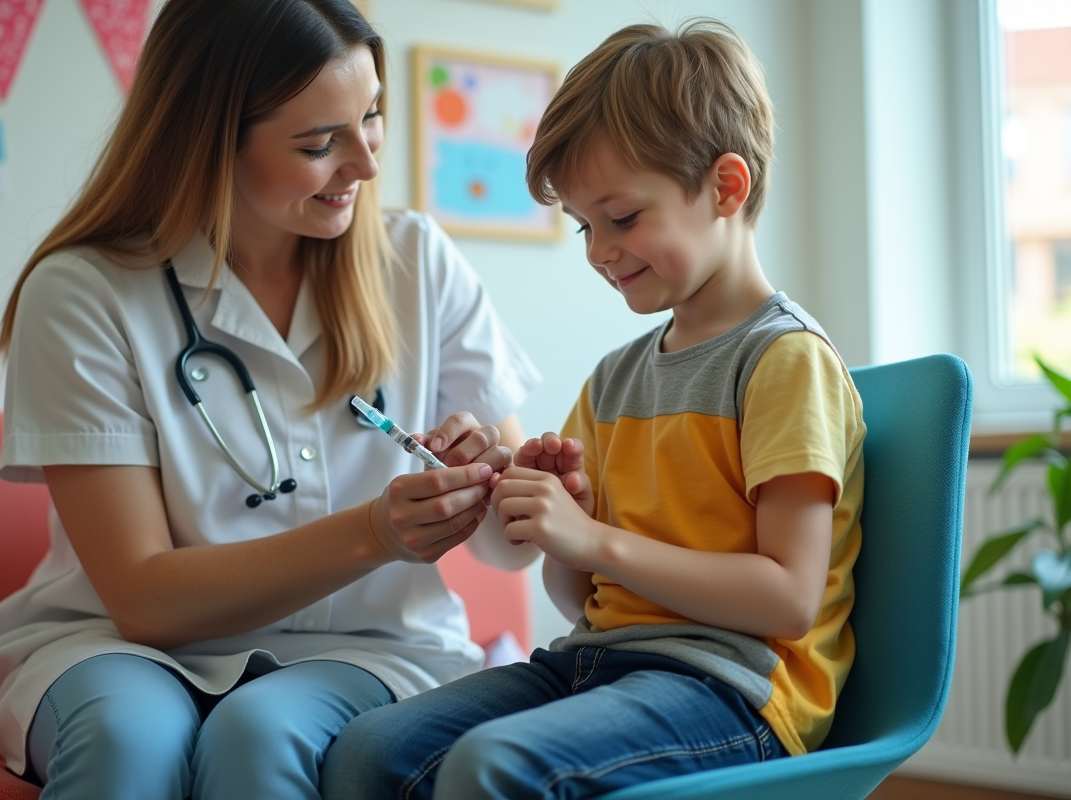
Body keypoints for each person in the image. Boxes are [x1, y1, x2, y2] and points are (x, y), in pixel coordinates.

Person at [0, 1, 542, 798]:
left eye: (371, 117)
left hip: (371, 649)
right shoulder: (84, 292)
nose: (367, 165)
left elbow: (511, 549)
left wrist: (503, 490)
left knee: (262, 734)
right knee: (128, 741)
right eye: (318, 144)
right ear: (207, 141)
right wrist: (376, 532)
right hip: (124, 649)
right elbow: (142, 599)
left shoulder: (417, 263)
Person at [320, 19, 866, 800]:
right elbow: (579, 598)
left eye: (623, 217)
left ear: (726, 186)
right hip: (598, 662)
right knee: (366, 753)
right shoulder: (614, 381)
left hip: (733, 690)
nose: (597, 251)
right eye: (583, 226)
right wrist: (555, 525)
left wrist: (595, 538)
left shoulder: (783, 363)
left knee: (492, 767)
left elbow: (787, 597)